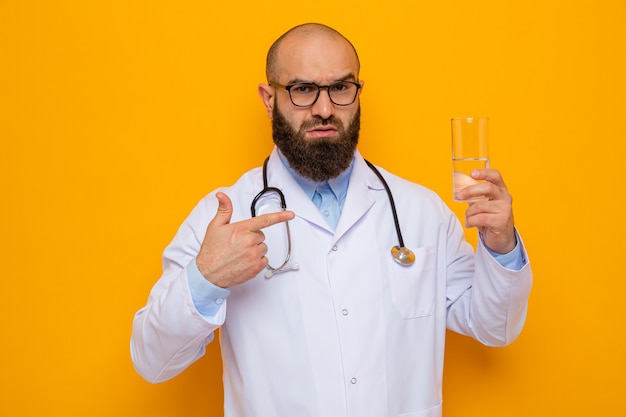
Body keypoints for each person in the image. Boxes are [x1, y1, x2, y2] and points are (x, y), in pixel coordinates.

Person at [131, 23, 532, 417]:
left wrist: (501, 244)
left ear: (358, 93)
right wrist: (205, 279)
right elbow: (153, 360)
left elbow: (495, 327)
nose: (325, 110)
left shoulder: (419, 210)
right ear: (269, 99)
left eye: (340, 88)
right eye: (303, 90)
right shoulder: (224, 216)